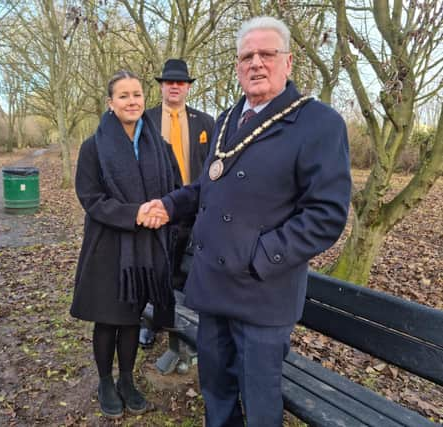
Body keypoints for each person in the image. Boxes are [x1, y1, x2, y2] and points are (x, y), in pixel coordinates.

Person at [140, 16, 352, 426]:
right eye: (246, 56)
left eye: (266, 54)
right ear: (238, 66)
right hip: (214, 287)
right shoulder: (226, 120)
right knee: (216, 391)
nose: (256, 63)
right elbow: (205, 187)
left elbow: (326, 214)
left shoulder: (318, 123)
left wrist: (261, 257)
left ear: (288, 62)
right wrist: (169, 204)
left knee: (258, 403)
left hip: (262, 293)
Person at [71, 70, 176, 419]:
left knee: (131, 318)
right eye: (124, 96)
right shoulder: (93, 147)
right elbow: (91, 198)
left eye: (137, 95)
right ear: (110, 103)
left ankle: (127, 380)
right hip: (107, 245)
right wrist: (135, 213)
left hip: (144, 247)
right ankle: (105, 381)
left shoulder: (160, 147)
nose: (132, 101)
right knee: (107, 318)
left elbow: (174, 188)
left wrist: (161, 211)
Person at [139, 59, 215, 349]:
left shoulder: (205, 122)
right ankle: (152, 323)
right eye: (169, 82)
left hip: (193, 209)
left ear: (187, 87)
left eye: (180, 82)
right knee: (154, 268)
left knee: (188, 271)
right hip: (159, 206)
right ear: (161, 86)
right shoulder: (145, 120)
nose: (174, 86)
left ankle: (183, 331)